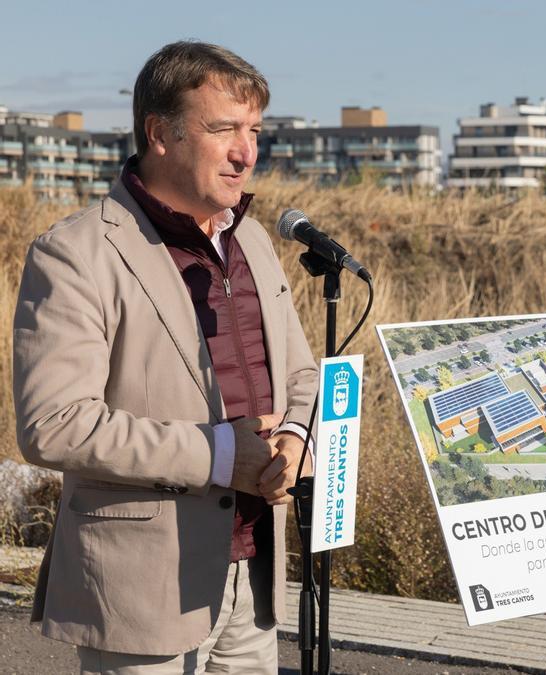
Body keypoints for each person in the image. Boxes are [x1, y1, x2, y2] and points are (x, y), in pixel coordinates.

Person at [12, 40, 317, 673]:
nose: (246, 151)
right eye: (223, 129)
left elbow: (299, 372)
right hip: (140, 585)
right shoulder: (75, 252)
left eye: (254, 130)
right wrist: (223, 455)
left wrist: (292, 437)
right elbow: (55, 423)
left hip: (255, 574)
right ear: (159, 133)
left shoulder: (253, 239)